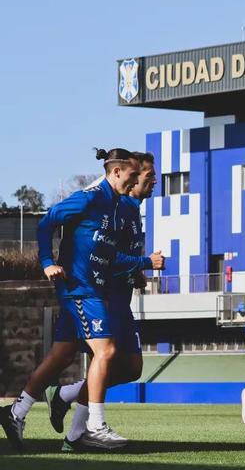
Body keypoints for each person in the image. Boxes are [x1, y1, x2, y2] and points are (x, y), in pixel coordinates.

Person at [0, 148, 152, 451]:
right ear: (117, 172)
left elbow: (102, 249)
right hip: (80, 288)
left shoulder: (114, 203)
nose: (137, 182)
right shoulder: (91, 197)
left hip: (93, 288)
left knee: (63, 355)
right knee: (106, 353)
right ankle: (91, 426)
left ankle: (19, 412)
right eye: (135, 175)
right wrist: (46, 262)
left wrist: (135, 269)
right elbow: (47, 222)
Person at [51, 152, 163, 452]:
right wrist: (144, 263)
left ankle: (68, 396)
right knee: (107, 356)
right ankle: (79, 433)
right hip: (105, 297)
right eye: (149, 174)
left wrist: (136, 272)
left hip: (121, 297)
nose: (154, 180)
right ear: (131, 175)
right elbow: (105, 257)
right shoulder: (120, 207)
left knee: (131, 369)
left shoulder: (133, 210)